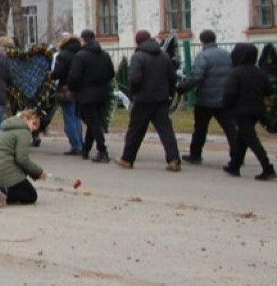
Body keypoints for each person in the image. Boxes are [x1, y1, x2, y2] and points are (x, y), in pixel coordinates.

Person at [114, 30, 181, 171]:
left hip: (143, 99)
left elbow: (134, 79)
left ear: (138, 42)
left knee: (135, 131)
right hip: (161, 99)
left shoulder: (138, 57)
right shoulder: (164, 56)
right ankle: (174, 159)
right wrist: (168, 94)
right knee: (166, 130)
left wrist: (133, 93)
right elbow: (172, 77)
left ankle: (127, 159)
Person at [177, 29, 237, 165]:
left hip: (205, 100)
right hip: (225, 99)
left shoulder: (203, 56)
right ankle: (237, 154)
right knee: (230, 128)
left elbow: (197, 77)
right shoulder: (227, 55)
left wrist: (183, 88)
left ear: (202, 41)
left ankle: (195, 155)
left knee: (200, 128)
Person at [221, 43, 277, 180]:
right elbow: (269, 90)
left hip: (241, 111)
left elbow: (229, 93)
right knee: (243, 137)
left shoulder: (235, 73)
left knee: (251, 139)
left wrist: (226, 106)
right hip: (257, 110)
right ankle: (235, 165)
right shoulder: (259, 72)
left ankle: (267, 167)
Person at [0, 107, 47, 207]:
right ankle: (4, 191)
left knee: (21, 186)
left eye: (36, 126)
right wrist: (39, 172)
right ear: (26, 119)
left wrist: (34, 174)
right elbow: (22, 159)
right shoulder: (24, 132)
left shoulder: (6, 129)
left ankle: (1, 191)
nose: (34, 128)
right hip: (3, 171)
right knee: (31, 195)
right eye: (34, 123)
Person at [68, 29, 115, 163]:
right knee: (93, 121)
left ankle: (102, 150)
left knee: (93, 122)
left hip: (85, 93)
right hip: (102, 93)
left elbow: (74, 77)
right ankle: (86, 148)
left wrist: (74, 88)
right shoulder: (104, 55)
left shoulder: (80, 56)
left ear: (83, 40)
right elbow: (111, 74)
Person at [50, 32, 83, 156]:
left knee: (69, 117)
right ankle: (80, 142)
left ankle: (76, 145)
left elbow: (58, 73)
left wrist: (51, 75)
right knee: (77, 117)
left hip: (66, 89)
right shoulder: (80, 53)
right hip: (79, 89)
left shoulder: (63, 55)